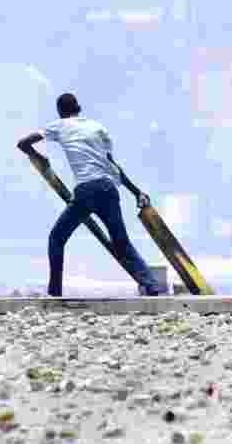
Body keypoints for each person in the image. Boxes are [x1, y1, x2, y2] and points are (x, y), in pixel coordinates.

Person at [17, 93, 165, 297]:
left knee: (57, 238)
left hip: (86, 192)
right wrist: (136, 192)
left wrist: (37, 155)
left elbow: (23, 143)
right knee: (121, 242)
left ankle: (54, 292)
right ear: (79, 108)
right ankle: (152, 285)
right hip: (108, 189)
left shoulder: (59, 125)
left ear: (60, 112)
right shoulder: (98, 128)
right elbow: (113, 166)